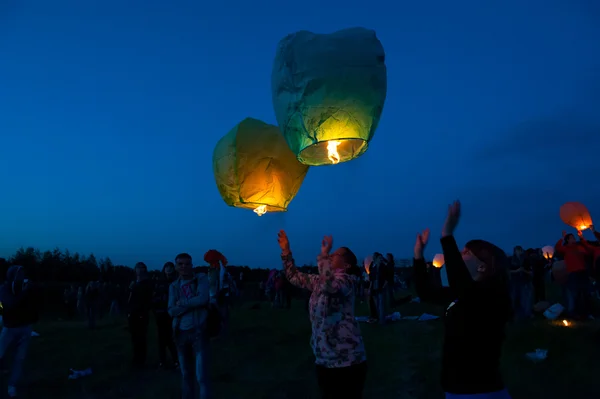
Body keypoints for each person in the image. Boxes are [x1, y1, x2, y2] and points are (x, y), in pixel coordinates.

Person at [413, 201, 512, 398]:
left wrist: (447, 235)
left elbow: (464, 288)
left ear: (483, 266)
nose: (459, 255)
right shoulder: (462, 293)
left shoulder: (491, 296)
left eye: (466, 253)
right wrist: (418, 255)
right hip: (455, 386)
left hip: (481, 389)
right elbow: (427, 293)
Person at [277, 230, 367, 399]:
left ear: (346, 265)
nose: (332, 255)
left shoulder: (347, 281)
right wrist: (286, 251)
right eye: (331, 253)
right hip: (324, 360)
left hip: (348, 362)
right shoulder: (319, 281)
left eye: (336, 254)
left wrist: (324, 256)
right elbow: (293, 276)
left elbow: (330, 286)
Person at [169, 253, 211, 399]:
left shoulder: (200, 279)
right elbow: (171, 310)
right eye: (180, 264)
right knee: (186, 374)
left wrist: (183, 303)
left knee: (201, 376)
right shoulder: (173, 286)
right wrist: (191, 304)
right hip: (180, 332)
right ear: (176, 266)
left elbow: (203, 299)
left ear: (191, 265)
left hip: (198, 330)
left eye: (187, 264)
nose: (183, 267)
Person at [0, 266, 40, 398]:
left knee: (20, 358)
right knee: (0, 352)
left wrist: (32, 292)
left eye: (23, 273)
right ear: (11, 275)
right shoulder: (4, 288)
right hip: (10, 327)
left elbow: (34, 305)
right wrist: (25, 292)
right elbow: (11, 304)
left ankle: (12, 384)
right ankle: (4, 370)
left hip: (25, 327)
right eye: (19, 273)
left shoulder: (26, 288)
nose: (22, 276)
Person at [555, 231, 593, 319]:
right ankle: (575, 313)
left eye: (574, 237)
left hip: (583, 272)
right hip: (573, 273)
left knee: (586, 292)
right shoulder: (566, 248)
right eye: (572, 237)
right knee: (575, 293)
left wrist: (582, 238)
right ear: (567, 240)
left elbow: (588, 250)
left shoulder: (579, 247)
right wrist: (562, 238)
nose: (574, 238)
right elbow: (557, 247)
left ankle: (587, 313)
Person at [153, 262, 179, 369]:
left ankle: (176, 360)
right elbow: (154, 298)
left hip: (172, 314)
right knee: (161, 339)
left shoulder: (176, 282)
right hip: (161, 314)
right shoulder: (159, 283)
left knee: (172, 338)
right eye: (167, 267)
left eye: (171, 267)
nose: (168, 270)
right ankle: (162, 360)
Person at [128, 262, 154, 368]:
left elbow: (147, 299)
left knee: (141, 337)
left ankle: (141, 360)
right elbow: (130, 297)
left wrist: (143, 311)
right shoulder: (134, 283)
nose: (139, 270)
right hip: (132, 312)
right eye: (137, 268)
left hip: (141, 313)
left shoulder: (147, 283)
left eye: (141, 268)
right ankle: (136, 358)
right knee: (134, 337)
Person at [508, 246, 533, 320]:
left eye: (520, 250)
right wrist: (517, 271)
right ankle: (513, 314)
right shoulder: (511, 260)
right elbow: (507, 271)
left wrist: (524, 271)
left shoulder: (526, 260)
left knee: (524, 298)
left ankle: (525, 314)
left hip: (524, 282)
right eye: (517, 250)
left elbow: (531, 272)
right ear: (515, 251)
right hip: (514, 282)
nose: (519, 252)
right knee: (514, 298)